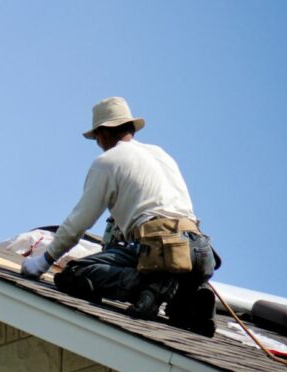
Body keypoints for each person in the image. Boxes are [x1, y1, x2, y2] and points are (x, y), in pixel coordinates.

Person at [21, 97, 219, 336]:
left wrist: (44, 261)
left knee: (74, 274)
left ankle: (149, 286)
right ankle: (189, 296)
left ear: (103, 133)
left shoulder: (108, 162)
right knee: (178, 313)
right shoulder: (160, 154)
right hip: (199, 251)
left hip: (159, 250)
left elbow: (79, 222)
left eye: (96, 138)